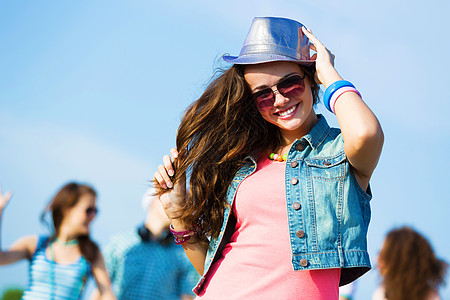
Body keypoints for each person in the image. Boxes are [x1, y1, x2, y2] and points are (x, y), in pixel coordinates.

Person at [153, 16, 384, 299]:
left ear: (311, 80)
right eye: (263, 95)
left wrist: (328, 73)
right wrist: (178, 214)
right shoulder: (243, 164)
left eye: (290, 84)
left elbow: (366, 134)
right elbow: (210, 268)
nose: (279, 99)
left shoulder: (339, 151)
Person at [0, 183, 116, 300]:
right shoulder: (36, 244)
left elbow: (106, 293)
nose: (93, 216)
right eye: (89, 210)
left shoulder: (91, 252)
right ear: (67, 209)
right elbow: (1, 259)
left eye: (96, 211)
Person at [90, 188, 198, 300]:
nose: (180, 206)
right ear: (153, 201)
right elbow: (100, 290)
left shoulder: (187, 255)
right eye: (176, 199)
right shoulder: (118, 243)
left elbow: (188, 297)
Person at [372, 226, 448, 300]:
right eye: (379, 253)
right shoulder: (381, 294)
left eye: (384, 254)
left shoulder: (432, 296)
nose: (377, 259)